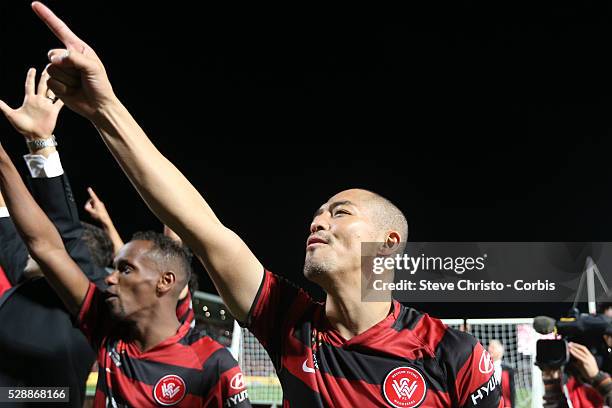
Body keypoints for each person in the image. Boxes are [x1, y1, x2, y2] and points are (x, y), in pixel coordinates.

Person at [29, 2, 502, 406]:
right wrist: (105, 108)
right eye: (317, 213)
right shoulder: (289, 322)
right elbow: (198, 224)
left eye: (340, 213)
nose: (318, 221)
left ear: (388, 242)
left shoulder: (453, 354)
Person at [488, 340, 516, 407]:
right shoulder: (484, 368)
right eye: (489, 347)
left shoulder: (508, 369)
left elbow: (512, 391)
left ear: (499, 350)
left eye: (493, 347)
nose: (489, 349)